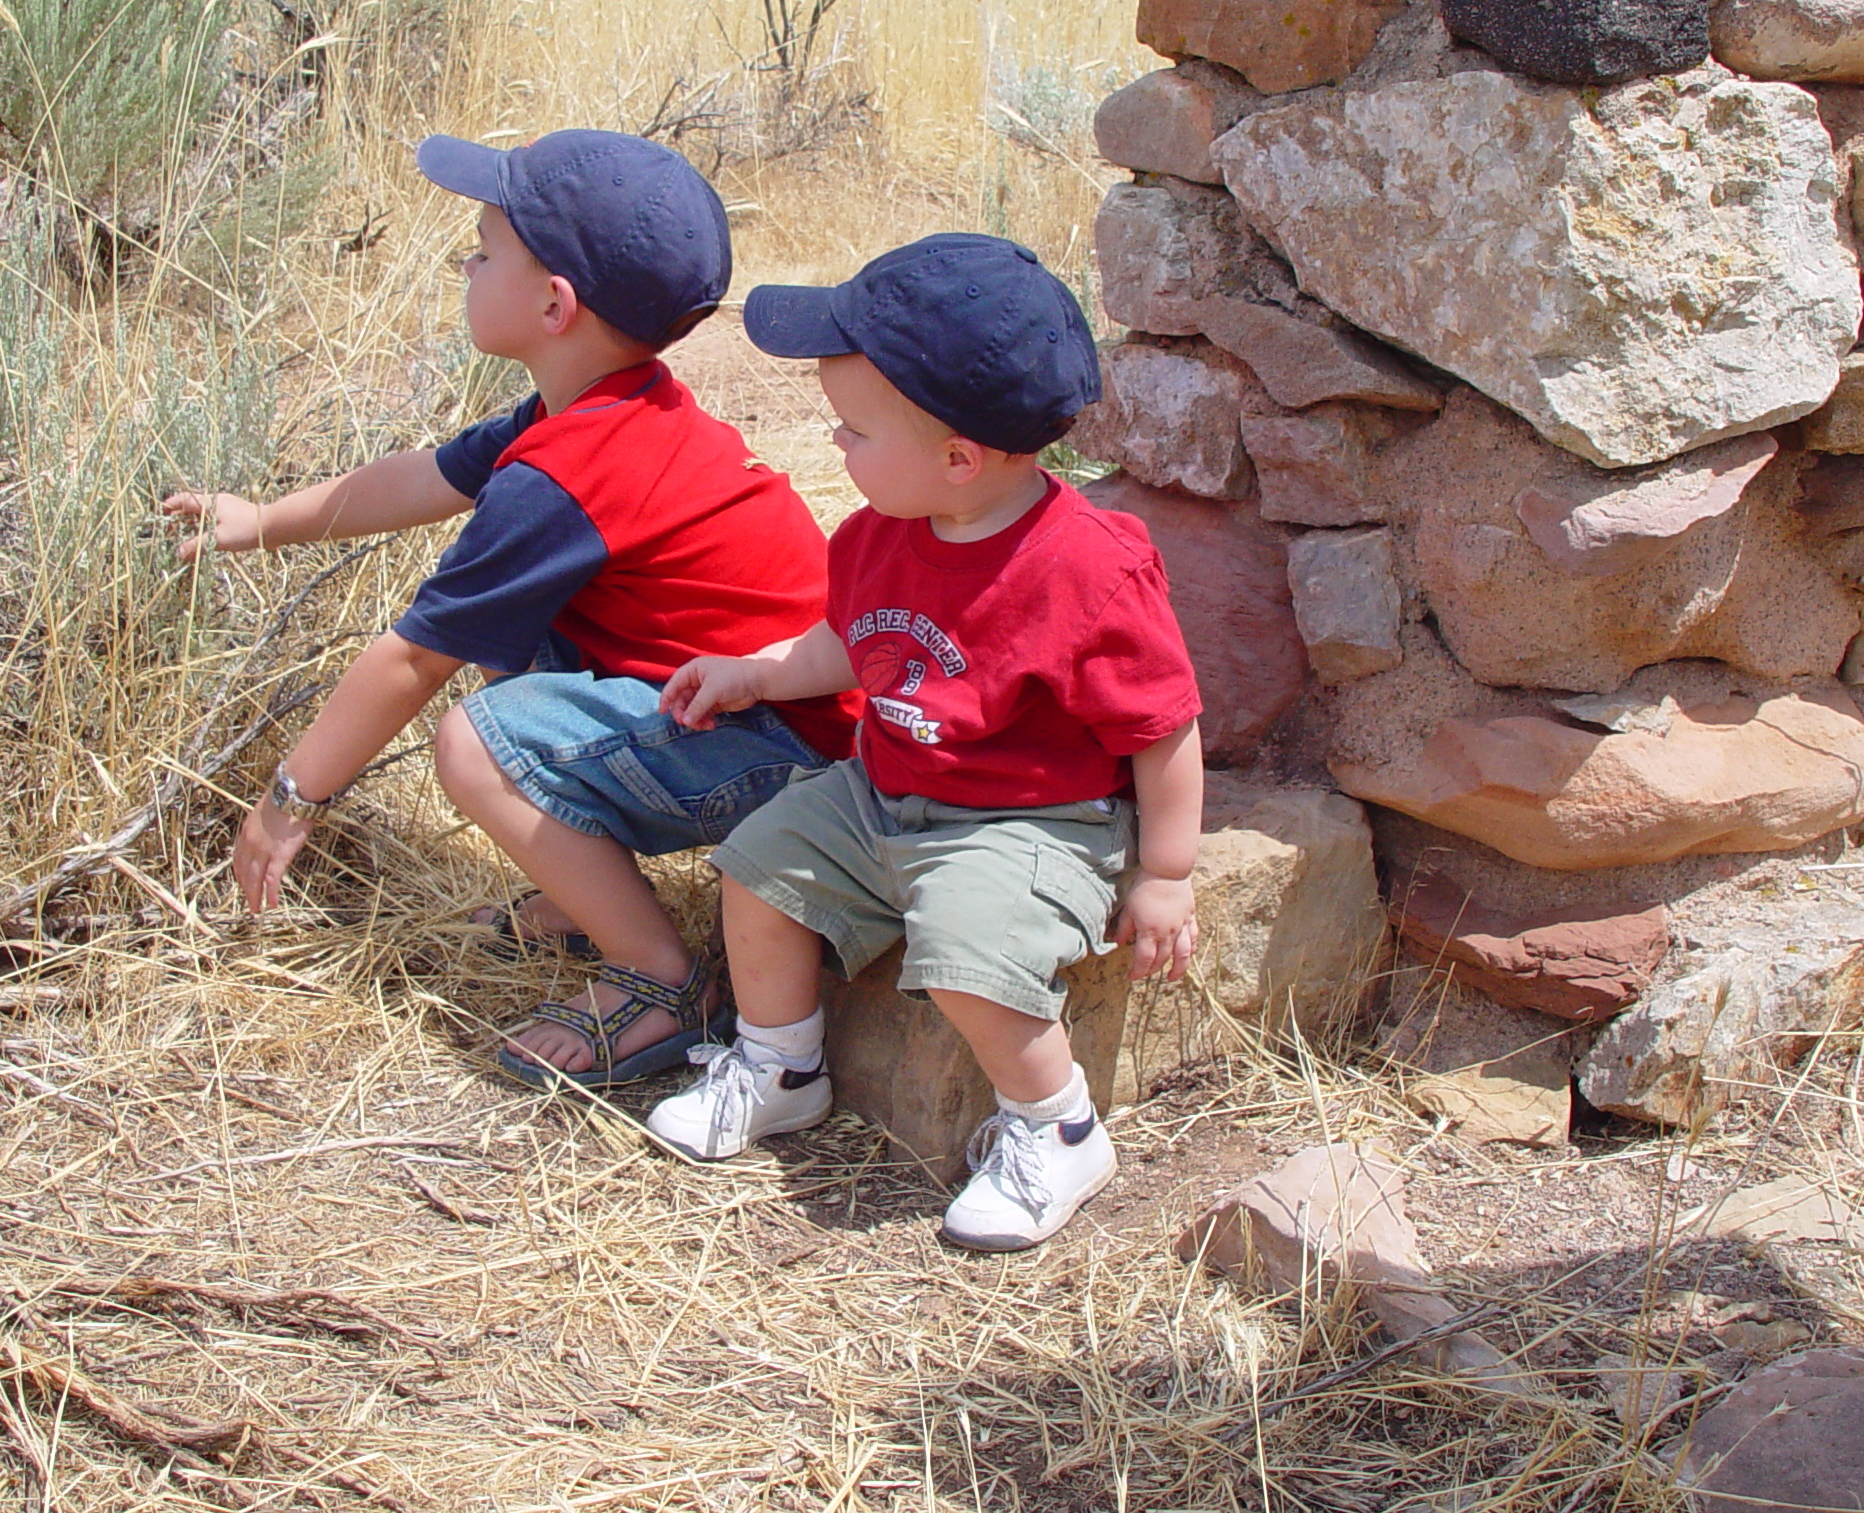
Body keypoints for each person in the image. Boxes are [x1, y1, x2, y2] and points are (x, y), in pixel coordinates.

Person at [162, 130, 859, 1086]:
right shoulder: (601, 404)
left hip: (792, 745)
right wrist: (264, 521)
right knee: (527, 626)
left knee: (477, 742)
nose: (466, 260)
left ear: (554, 305)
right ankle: (586, 893)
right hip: (761, 707)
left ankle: (658, 975)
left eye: (485, 249)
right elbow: (431, 475)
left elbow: (415, 657)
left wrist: (291, 802)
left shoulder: (569, 474)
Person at [643, 233, 1204, 1252]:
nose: (834, 448)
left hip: (1030, 823)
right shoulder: (878, 529)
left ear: (958, 458)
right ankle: (783, 1065)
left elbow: (1160, 728)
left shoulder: (1086, 571)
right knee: (761, 865)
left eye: (852, 430)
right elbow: (852, 641)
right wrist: (759, 674)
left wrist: (1165, 873)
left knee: (967, 954)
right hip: (883, 792)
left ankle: (1057, 1127)